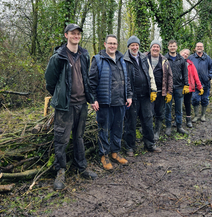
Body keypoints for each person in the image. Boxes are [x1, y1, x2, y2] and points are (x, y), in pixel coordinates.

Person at [44, 24, 97, 190]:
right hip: (65, 107)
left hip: (81, 104)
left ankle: (82, 167)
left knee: (79, 137)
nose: (76, 36)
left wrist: (91, 98)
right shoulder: (58, 57)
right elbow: (50, 82)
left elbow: (86, 79)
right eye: (73, 33)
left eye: (78, 33)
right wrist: (61, 96)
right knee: (62, 139)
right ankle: (60, 171)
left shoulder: (84, 54)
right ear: (66, 35)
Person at [89, 34, 132, 171]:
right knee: (104, 129)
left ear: (117, 45)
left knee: (118, 128)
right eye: (110, 43)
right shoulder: (98, 59)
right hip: (104, 103)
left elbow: (127, 80)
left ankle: (115, 152)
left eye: (114, 43)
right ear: (105, 44)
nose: (112, 46)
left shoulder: (122, 60)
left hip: (120, 102)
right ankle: (104, 155)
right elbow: (91, 82)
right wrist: (93, 99)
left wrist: (129, 95)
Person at [123, 36, 162, 156]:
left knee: (148, 119)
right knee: (131, 122)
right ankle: (130, 147)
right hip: (132, 96)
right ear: (129, 46)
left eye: (136, 45)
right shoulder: (124, 59)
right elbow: (125, 79)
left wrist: (153, 89)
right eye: (132, 45)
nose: (135, 47)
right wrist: (127, 94)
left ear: (139, 46)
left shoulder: (144, 57)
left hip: (145, 95)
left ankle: (150, 144)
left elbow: (150, 73)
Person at [146, 40, 173, 140]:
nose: (155, 48)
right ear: (150, 48)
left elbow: (170, 76)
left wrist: (169, 92)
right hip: (147, 92)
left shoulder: (164, 60)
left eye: (157, 47)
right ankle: (148, 131)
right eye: (154, 46)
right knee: (148, 112)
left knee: (159, 112)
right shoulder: (144, 58)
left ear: (160, 49)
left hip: (161, 92)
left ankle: (157, 131)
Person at [164, 40, 190, 135]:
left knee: (179, 108)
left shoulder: (181, 59)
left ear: (177, 47)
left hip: (179, 87)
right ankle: (168, 127)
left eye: (174, 46)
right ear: (168, 47)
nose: (172, 48)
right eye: (170, 46)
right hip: (168, 88)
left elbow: (185, 73)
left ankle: (179, 127)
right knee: (168, 108)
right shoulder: (164, 58)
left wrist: (186, 84)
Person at [189, 42, 212, 122]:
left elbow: (211, 69)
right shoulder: (191, 58)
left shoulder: (207, 58)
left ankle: (203, 115)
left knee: (205, 99)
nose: (199, 48)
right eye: (198, 46)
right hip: (194, 84)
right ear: (195, 48)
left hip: (205, 83)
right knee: (195, 99)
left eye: (201, 46)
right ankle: (196, 116)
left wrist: (209, 77)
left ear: (203, 48)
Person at [180, 49, 204, 128]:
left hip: (189, 88)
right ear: (180, 53)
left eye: (187, 54)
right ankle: (178, 120)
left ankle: (188, 120)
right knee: (178, 105)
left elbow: (195, 76)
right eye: (184, 53)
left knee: (187, 103)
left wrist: (200, 87)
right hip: (178, 87)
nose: (185, 55)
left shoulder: (190, 64)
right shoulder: (175, 62)